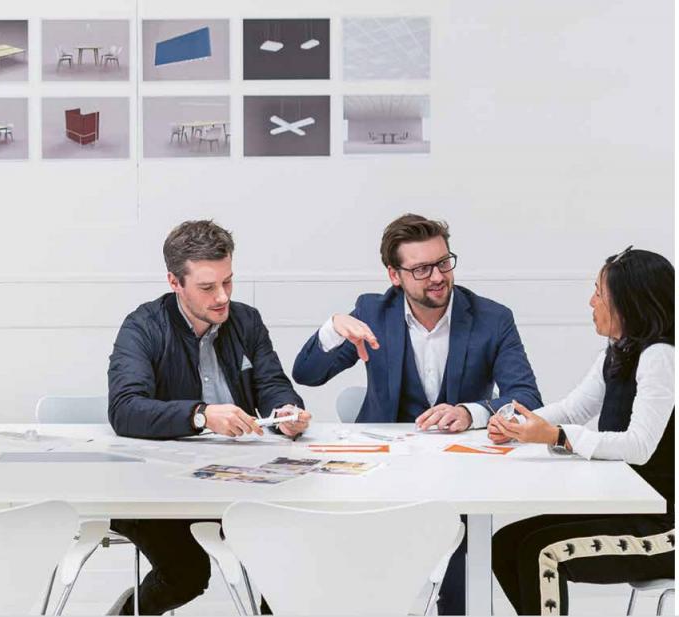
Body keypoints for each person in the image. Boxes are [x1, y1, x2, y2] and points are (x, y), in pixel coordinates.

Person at [292, 213, 542, 615]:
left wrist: (471, 412)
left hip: (459, 473)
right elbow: (307, 374)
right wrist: (334, 327)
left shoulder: (492, 319)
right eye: (422, 269)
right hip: (378, 475)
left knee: (461, 566)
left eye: (443, 263)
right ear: (395, 275)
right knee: (355, 572)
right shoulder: (373, 313)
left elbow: (527, 398)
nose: (438, 276)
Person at [107, 220, 311, 615]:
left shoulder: (246, 321)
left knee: (287, 561)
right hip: (159, 489)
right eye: (207, 287)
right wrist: (201, 416)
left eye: (228, 282)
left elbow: (272, 384)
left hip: (239, 482)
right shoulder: (143, 326)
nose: (222, 297)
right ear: (175, 282)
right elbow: (125, 408)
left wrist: (285, 411)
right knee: (185, 574)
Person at [490, 247, 674, 616]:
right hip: (631, 509)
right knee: (506, 544)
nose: (591, 302)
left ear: (630, 304)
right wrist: (516, 425)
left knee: (542, 553)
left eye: (599, 294)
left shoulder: (661, 357)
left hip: (666, 526)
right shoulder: (618, 352)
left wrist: (557, 436)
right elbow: (574, 408)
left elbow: (639, 446)